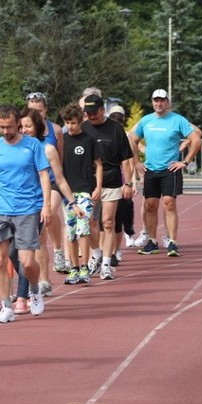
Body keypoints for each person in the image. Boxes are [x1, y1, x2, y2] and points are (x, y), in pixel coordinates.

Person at [0, 104, 51, 323]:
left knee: (26, 262)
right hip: (0, 208)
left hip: (27, 209)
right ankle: (6, 305)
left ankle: (34, 290)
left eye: (8, 127)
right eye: (1, 127)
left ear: (18, 123)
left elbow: (44, 175)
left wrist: (46, 205)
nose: (5, 131)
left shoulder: (33, 145)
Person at [8, 107, 77, 311]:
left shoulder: (47, 149)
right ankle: (34, 282)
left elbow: (60, 178)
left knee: (31, 243)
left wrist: (72, 203)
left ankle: (28, 293)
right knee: (16, 250)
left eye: (28, 126)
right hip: (23, 200)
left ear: (38, 127)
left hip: (45, 196)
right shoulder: (17, 148)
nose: (24, 129)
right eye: (21, 126)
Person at [129, 89, 202, 257]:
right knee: (150, 205)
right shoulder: (146, 120)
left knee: (169, 203)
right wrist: (137, 162)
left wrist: (185, 162)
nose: (159, 103)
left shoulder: (178, 120)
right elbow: (132, 139)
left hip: (170, 169)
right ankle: (152, 241)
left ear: (167, 102)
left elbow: (196, 139)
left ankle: (172, 242)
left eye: (162, 100)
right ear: (152, 102)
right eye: (156, 100)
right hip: (150, 169)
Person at [81, 94, 134, 280]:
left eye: (94, 112)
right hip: (88, 183)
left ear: (103, 110)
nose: (91, 116)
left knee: (108, 222)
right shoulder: (82, 128)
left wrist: (128, 183)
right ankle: (95, 254)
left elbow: (126, 159)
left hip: (112, 181)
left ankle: (106, 263)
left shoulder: (115, 129)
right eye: (88, 113)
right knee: (89, 223)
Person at [59, 103, 102, 284]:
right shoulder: (62, 140)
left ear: (80, 122)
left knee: (83, 228)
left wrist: (98, 187)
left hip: (85, 191)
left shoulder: (89, 140)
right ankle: (74, 268)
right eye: (67, 123)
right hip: (67, 192)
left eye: (74, 123)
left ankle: (85, 267)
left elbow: (98, 165)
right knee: (70, 232)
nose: (70, 126)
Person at [26, 92, 67, 278]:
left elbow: (61, 157)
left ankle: (58, 249)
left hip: (52, 181)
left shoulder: (56, 130)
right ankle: (44, 280)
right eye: (32, 111)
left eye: (39, 111)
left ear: (46, 110)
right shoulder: (23, 131)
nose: (36, 115)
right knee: (39, 234)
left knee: (47, 217)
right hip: (32, 185)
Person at [107, 105, 138, 260]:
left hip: (122, 182)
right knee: (107, 220)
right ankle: (107, 251)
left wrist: (132, 183)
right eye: (113, 119)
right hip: (108, 182)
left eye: (119, 119)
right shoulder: (103, 135)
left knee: (118, 219)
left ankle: (116, 250)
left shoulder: (127, 137)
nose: (116, 122)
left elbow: (131, 163)